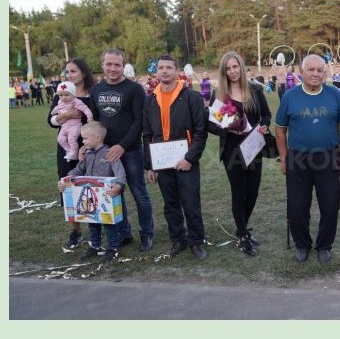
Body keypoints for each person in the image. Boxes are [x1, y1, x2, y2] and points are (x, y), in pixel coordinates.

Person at [275, 54, 340, 263]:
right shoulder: (290, 96)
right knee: (298, 207)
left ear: (325, 73)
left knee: (329, 205)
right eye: (311, 70)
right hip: (298, 159)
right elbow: (280, 131)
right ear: (301, 72)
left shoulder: (335, 94)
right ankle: (302, 244)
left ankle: (324, 245)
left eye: (320, 71)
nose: (316, 74)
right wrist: (283, 159)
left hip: (328, 157)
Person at [143, 55, 208, 260]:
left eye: (168, 67)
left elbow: (200, 131)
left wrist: (190, 158)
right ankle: (178, 239)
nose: (164, 71)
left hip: (186, 160)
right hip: (162, 161)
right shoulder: (150, 99)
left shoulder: (191, 97)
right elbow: (146, 135)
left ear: (176, 70)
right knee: (170, 204)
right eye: (160, 67)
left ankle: (196, 241)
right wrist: (149, 166)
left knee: (190, 203)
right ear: (156, 71)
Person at [206, 52, 272, 256]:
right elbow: (209, 123)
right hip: (232, 150)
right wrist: (226, 129)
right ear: (223, 71)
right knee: (238, 191)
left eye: (235, 67)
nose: (233, 71)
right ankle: (243, 235)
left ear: (241, 67)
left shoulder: (254, 89)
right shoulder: (219, 94)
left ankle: (242, 227)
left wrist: (263, 126)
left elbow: (266, 114)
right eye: (228, 68)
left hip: (253, 147)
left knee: (253, 192)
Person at [89, 48, 154, 252]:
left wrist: (123, 146)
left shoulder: (134, 89)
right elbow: (96, 120)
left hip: (130, 150)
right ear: (102, 65)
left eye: (117, 64)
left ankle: (146, 234)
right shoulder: (96, 90)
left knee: (139, 193)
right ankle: (124, 232)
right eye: (109, 64)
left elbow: (139, 121)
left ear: (123, 65)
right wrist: (92, 146)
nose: (113, 68)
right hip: (106, 151)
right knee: (114, 194)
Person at [59, 122, 127, 263]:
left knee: (109, 224)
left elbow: (120, 173)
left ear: (97, 138)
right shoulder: (87, 155)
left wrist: (118, 186)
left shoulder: (110, 154)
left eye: (85, 138)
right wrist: (65, 180)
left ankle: (112, 248)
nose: (82, 142)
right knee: (92, 222)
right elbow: (77, 171)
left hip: (106, 197)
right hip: (89, 196)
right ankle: (94, 246)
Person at [48, 58, 97, 249]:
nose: (70, 75)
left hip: (89, 148)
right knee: (68, 186)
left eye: (73, 71)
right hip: (66, 150)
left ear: (83, 73)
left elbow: (97, 118)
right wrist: (67, 115)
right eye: (67, 72)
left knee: (91, 188)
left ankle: (97, 230)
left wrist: (90, 143)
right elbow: (50, 120)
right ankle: (75, 232)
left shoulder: (93, 94)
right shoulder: (61, 93)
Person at [51, 81, 94, 161]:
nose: (63, 97)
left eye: (66, 95)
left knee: (71, 139)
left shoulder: (76, 102)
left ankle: (74, 152)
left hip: (75, 126)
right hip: (64, 126)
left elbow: (85, 109)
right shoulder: (60, 101)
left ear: (73, 94)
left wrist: (89, 117)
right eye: (61, 95)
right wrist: (53, 112)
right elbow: (57, 108)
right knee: (60, 139)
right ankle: (69, 151)